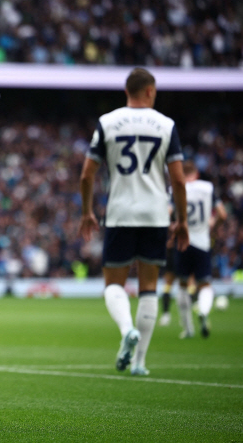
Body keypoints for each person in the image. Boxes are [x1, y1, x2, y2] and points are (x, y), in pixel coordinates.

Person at [79, 67, 189, 376]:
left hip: (121, 212)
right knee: (149, 287)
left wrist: (87, 211)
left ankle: (127, 328)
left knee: (113, 285)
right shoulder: (166, 125)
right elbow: (178, 181)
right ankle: (140, 362)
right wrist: (181, 220)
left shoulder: (108, 122)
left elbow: (87, 174)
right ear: (151, 91)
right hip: (155, 214)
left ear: (126, 91)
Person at [175, 161, 227, 339]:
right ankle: (204, 311)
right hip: (202, 242)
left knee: (182, 285)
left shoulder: (176, 188)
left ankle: (188, 329)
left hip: (182, 242)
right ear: (196, 174)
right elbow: (222, 214)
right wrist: (211, 225)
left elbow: (167, 213)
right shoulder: (207, 188)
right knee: (204, 284)